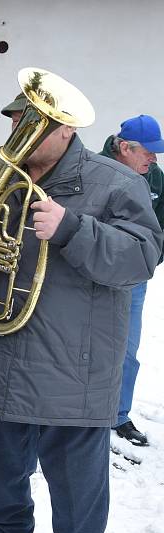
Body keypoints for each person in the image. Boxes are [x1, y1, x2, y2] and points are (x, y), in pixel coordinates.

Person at [0, 92, 163, 533]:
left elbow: (141, 258)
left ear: (65, 129)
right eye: (16, 119)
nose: (18, 129)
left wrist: (72, 228)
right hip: (1, 356)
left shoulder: (117, 182)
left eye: (31, 122)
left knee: (79, 494)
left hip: (74, 371)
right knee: (1, 479)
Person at [98, 114, 164, 447]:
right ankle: (86, 413)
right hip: (98, 277)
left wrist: (151, 257)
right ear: (124, 147)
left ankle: (118, 415)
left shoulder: (155, 177)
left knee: (128, 349)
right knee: (89, 346)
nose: (154, 158)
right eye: (148, 152)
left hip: (135, 280)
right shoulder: (95, 171)